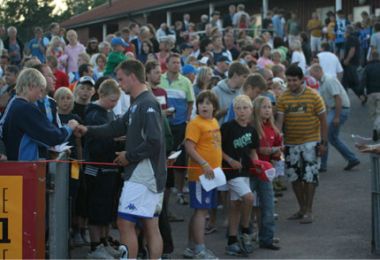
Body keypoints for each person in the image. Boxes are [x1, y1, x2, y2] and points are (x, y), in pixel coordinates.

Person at [75, 59, 166, 259]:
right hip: (145, 174)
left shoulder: (147, 103)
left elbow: (154, 141)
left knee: (126, 223)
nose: (119, 83)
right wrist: (87, 129)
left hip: (143, 174)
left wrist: (128, 156)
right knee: (150, 224)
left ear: (132, 77)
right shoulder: (138, 103)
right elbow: (115, 127)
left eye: (121, 79)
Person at [276, 65, 327, 224]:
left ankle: (309, 210)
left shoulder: (314, 96)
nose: (291, 83)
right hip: (291, 143)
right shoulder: (283, 98)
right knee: (294, 177)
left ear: (301, 80)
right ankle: (302, 208)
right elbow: (279, 122)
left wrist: (324, 143)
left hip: (310, 142)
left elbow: (323, 121)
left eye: (294, 80)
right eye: (288, 80)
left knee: (310, 176)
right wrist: (277, 142)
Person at [0, 68, 78, 161]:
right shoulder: (26, 108)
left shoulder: (14, 103)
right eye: (40, 90)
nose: (41, 95)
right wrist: (69, 127)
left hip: (15, 164)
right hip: (24, 168)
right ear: (31, 86)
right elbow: (52, 136)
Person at [83, 79, 122, 259]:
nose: (114, 104)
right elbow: (97, 141)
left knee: (107, 208)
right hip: (96, 168)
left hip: (110, 168)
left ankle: (105, 241)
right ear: (101, 95)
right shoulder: (93, 114)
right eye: (112, 100)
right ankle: (95, 245)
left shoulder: (108, 113)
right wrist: (115, 140)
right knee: (96, 208)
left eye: (116, 101)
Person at [183, 90, 221, 259]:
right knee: (201, 211)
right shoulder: (195, 123)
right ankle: (199, 249)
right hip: (200, 175)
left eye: (208, 103)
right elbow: (189, 148)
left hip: (212, 175)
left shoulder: (214, 121)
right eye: (201, 103)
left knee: (201, 210)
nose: (204, 106)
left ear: (214, 107)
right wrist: (204, 163)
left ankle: (192, 247)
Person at [221, 95, 258, 256]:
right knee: (249, 198)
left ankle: (232, 240)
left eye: (245, 108)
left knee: (235, 205)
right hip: (231, 172)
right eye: (238, 108)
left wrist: (259, 164)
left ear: (251, 110)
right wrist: (229, 160)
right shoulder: (228, 127)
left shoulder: (251, 129)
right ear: (234, 110)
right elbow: (218, 148)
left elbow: (253, 151)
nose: (242, 112)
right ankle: (245, 230)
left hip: (245, 171)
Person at [309, 64, 360, 172]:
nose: (312, 77)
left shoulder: (328, 80)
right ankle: (351, 158)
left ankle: (325, 164)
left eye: (313, 74)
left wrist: (336, 116)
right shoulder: (324, 82)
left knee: (327, 136)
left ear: (318, 71)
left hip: (340, 109)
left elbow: (338, 98)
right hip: (337, 109)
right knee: (331, 137)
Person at [160, 53, 194, 205]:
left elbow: (190, 102)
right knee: (163, 156)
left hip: (180, 124)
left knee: (180, 159)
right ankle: (163, 188)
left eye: (178, 63)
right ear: (167, 64)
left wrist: (187, 120)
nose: (177, 65)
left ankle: (179, 191)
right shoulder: (159, 80)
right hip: (162, 124)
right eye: (173, 62)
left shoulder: (186, 81)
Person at [252, 95, 282, 250]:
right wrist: (271, 150)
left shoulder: (273, 129)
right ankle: (247, 236)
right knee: (248, 207)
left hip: (266, 173)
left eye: (269, 107)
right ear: (256, 109)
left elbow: (277, 150)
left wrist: (277, 153)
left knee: (268, 207)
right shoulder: (252, 127)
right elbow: (257, 149)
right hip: (250, 171)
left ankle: (267, 238)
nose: (267, 110)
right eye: (264, 107)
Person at [362, 51, 380, 140]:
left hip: (371, 93)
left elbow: (363, 80)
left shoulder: (367, 67)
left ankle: (375, 129)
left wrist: (363, 92)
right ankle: (376, 129)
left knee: (373, 114)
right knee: (379, 113)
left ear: (371, 57)